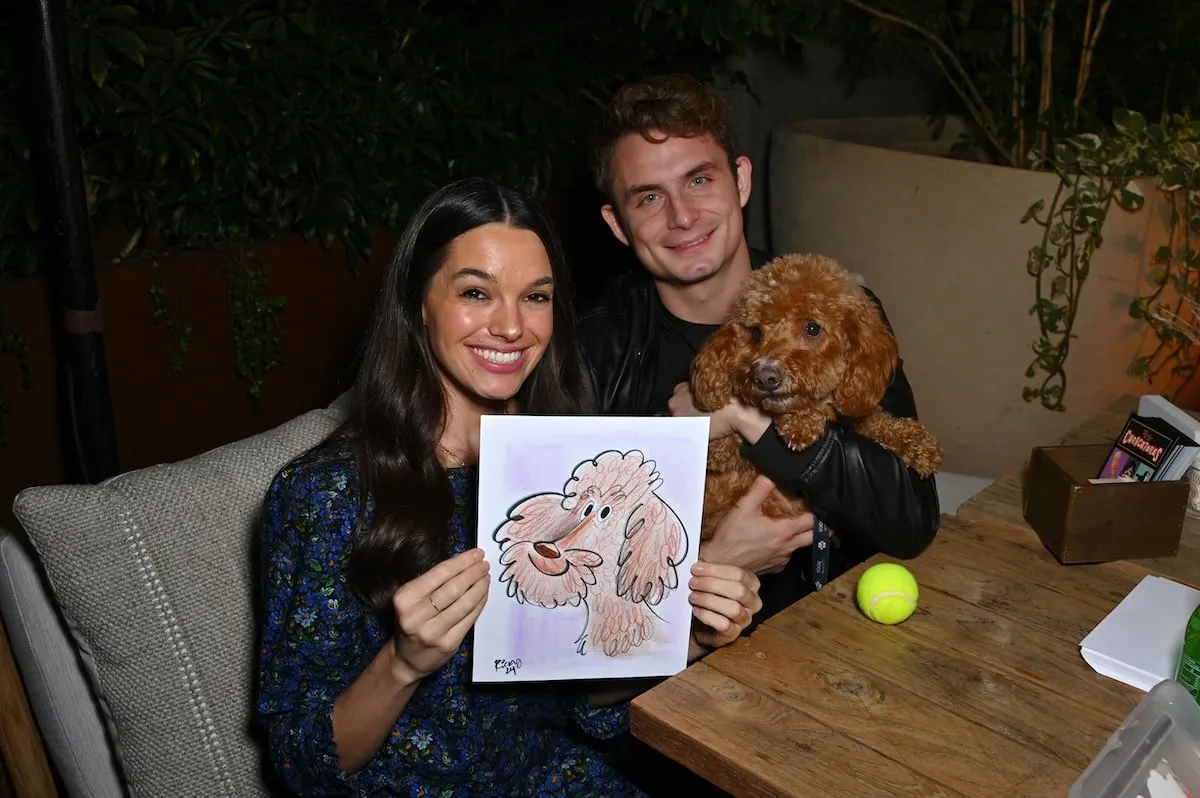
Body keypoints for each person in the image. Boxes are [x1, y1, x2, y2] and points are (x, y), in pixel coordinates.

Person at [254, 177, 763, 797]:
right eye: (476, 292)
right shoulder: (325, 494)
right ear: (419, 302)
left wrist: (689, 639)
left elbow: (579, 696)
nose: (511, 327)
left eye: (536, 297)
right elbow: (305, 766)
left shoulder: (571, 460)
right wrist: (404, 662)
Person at [577, 74, 940, 622]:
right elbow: (576, 594)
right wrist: (713, 563)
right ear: (618, 225)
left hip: (828, 628)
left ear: (740, 181)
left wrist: (747, 421)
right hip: (681, 673)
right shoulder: (590, 350)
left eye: (699, 180)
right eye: (649, 197)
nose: (681, 216)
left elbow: (911, 518)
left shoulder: (836, 306)